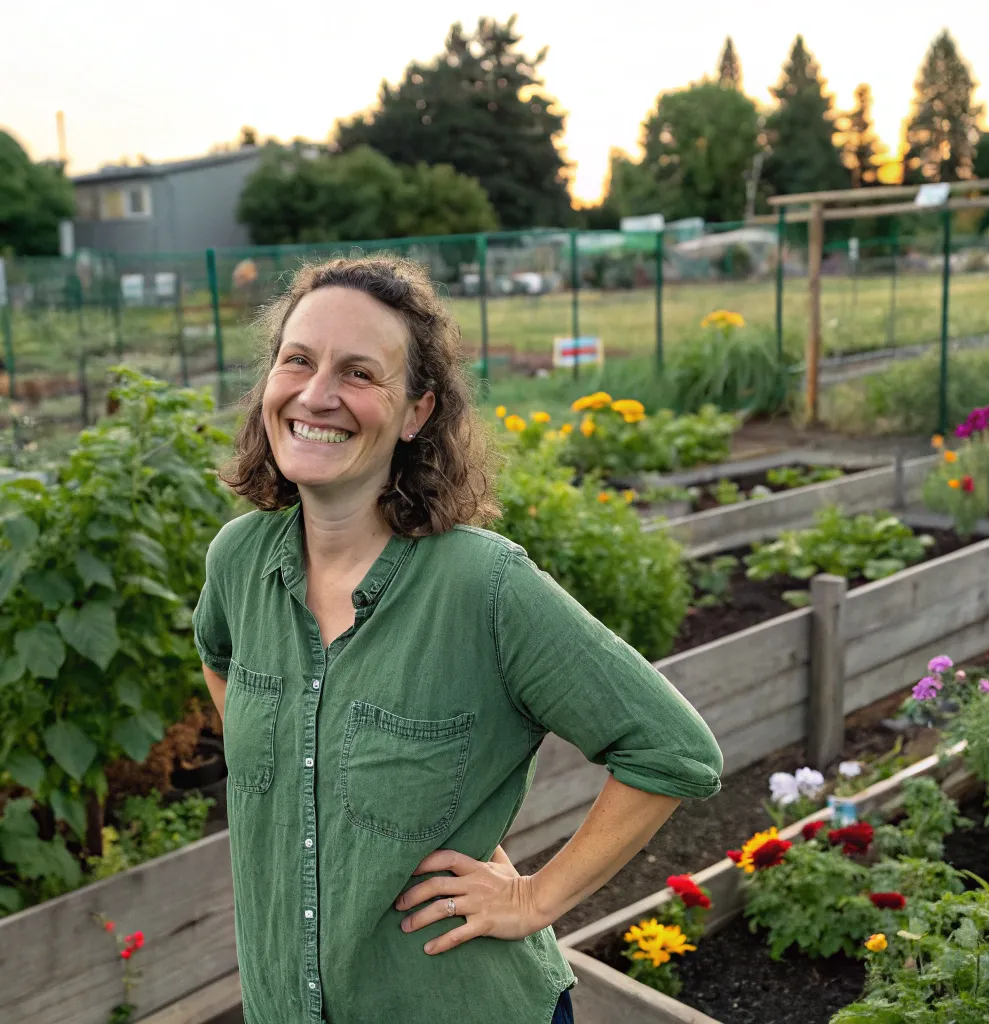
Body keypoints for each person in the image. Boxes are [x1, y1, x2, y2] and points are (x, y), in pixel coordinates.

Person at [193, 255, 722, 1024]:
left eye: (360, 373)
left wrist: (534, 897)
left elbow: (674, 752)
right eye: (298, 361)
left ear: (416, 412)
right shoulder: (240, 561)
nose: (316, 394)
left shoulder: (483, 587)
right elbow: (221, 664)